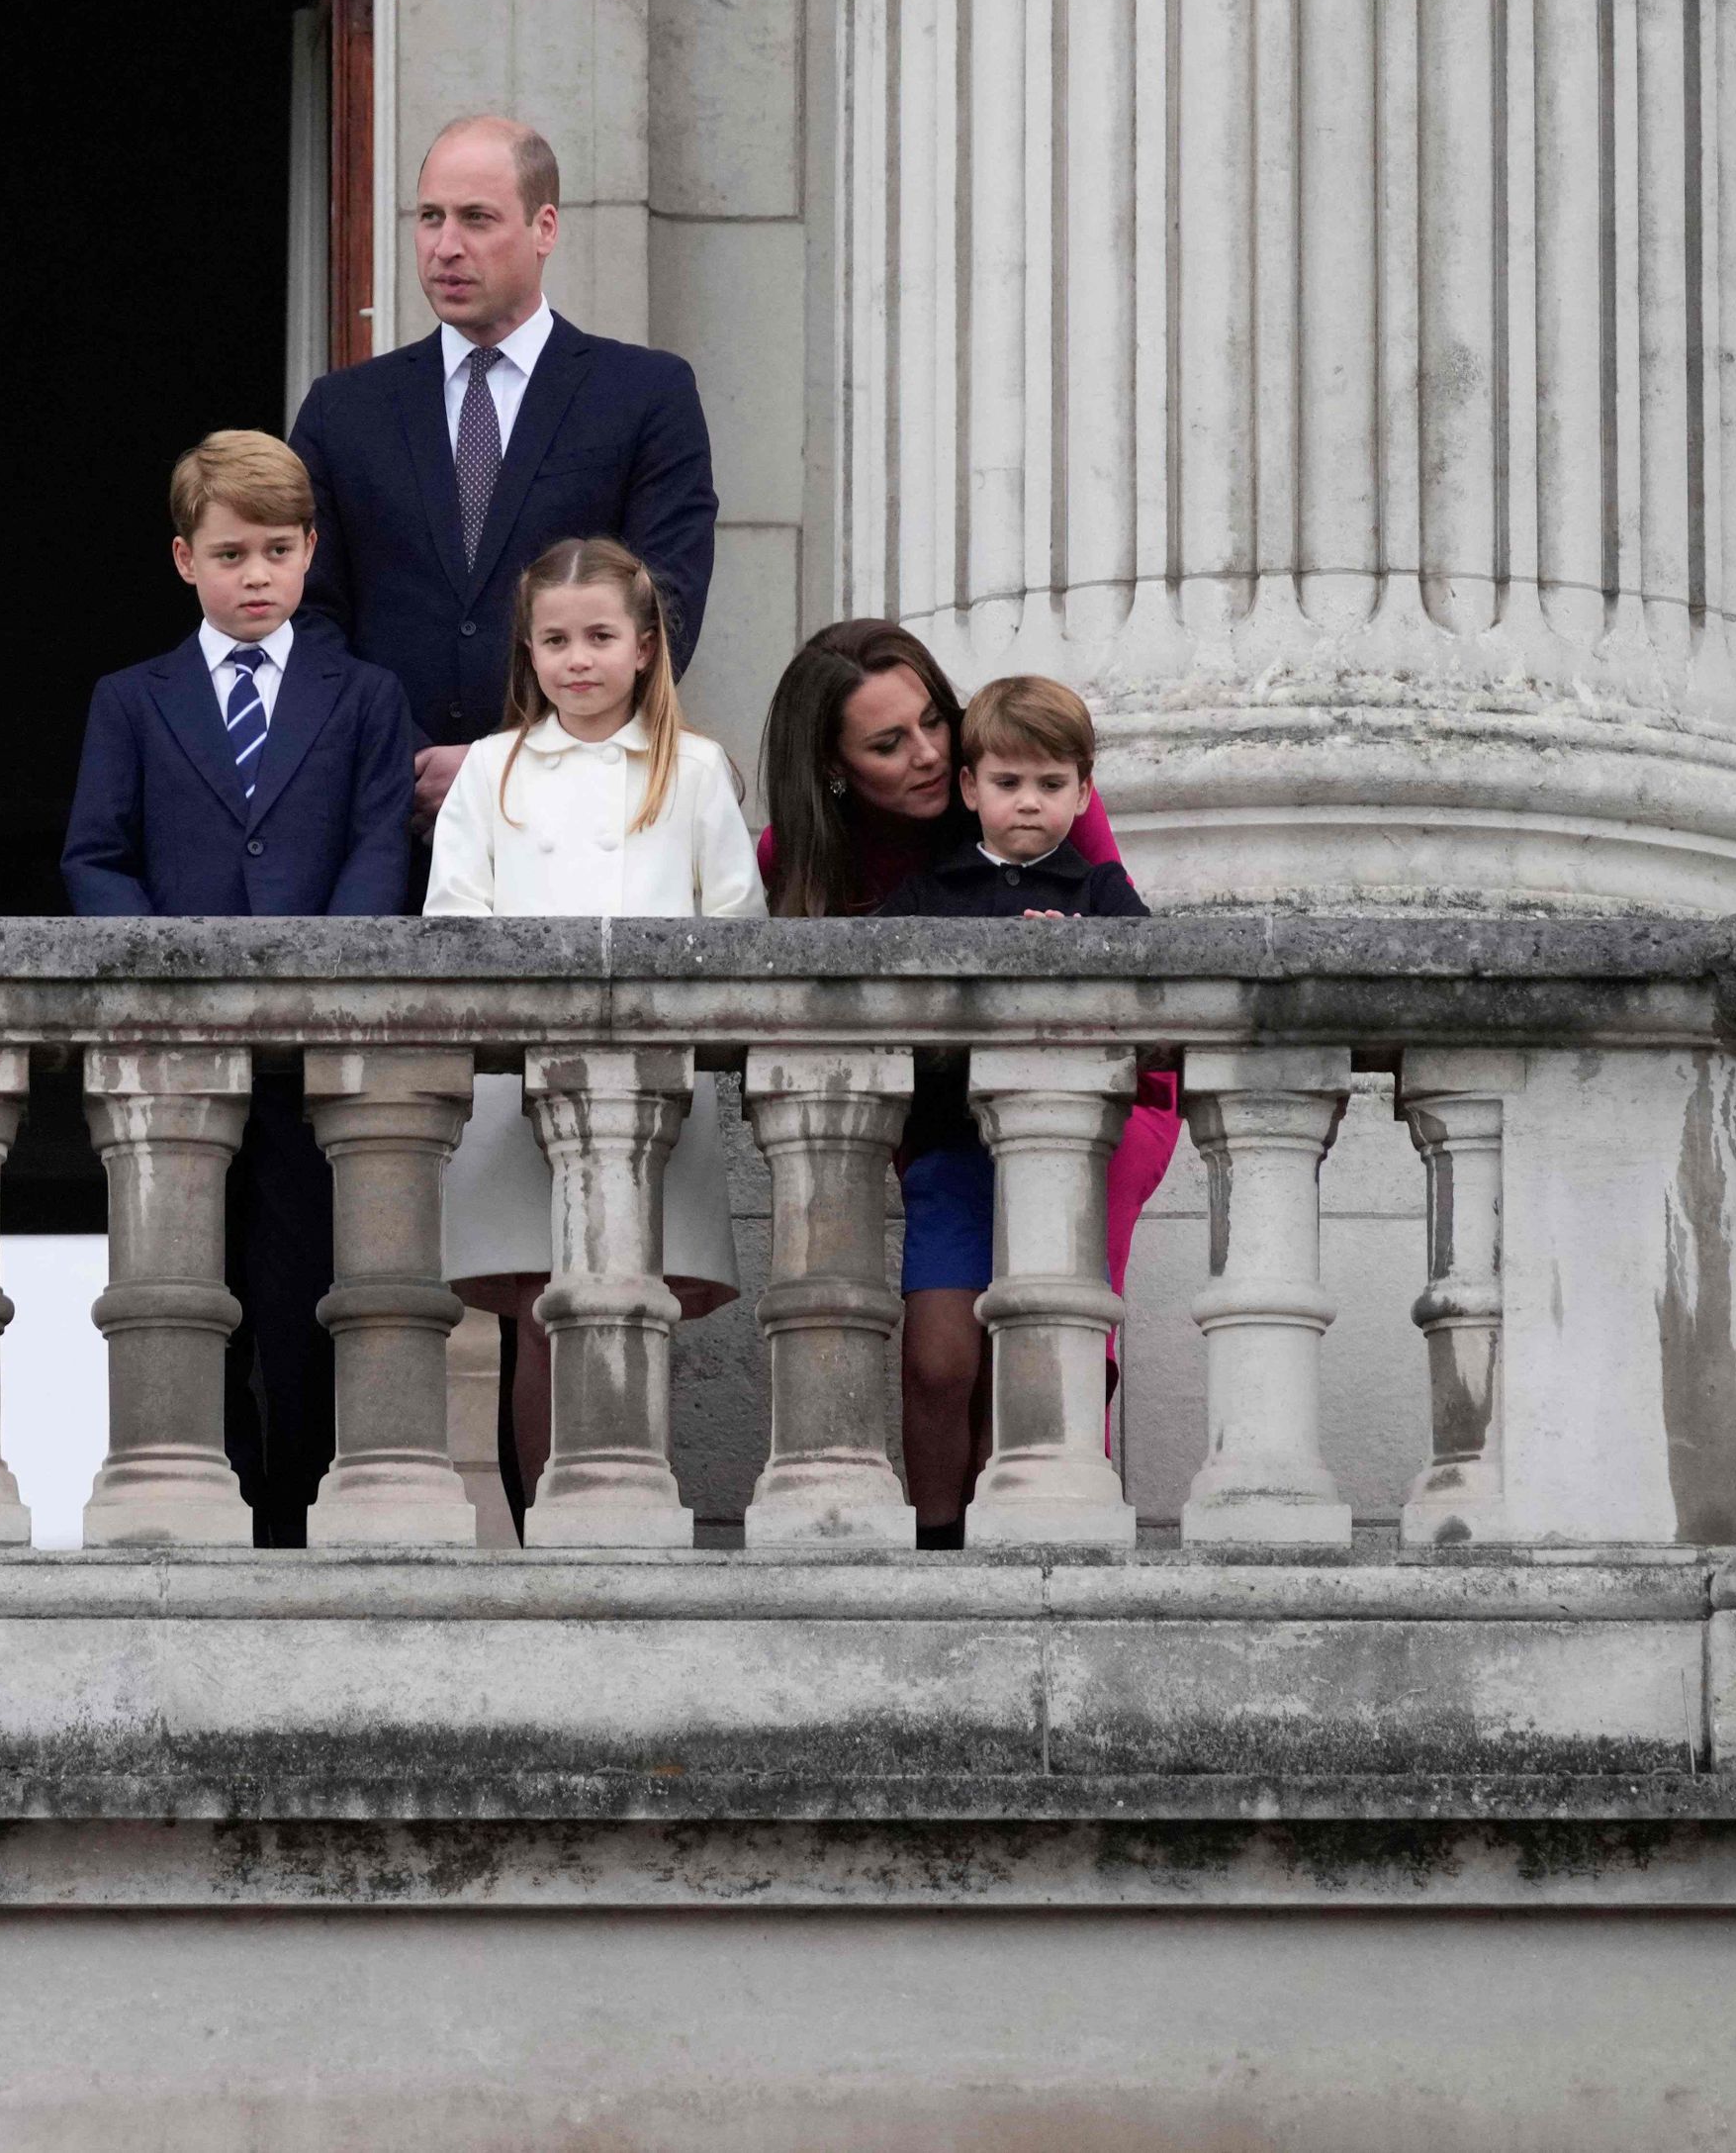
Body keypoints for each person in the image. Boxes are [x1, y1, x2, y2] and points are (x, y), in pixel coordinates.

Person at [62, 429, 419, 1545]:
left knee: (305, 1298)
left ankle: (298, 1525)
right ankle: (208, 1516)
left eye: (275, 550)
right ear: (185, 560)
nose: (254, 575)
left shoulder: (367, 696)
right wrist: (170, 982)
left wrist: (320, 981)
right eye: (229, 554)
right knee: (181, 1295)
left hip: (313, 1064)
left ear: (310, 549)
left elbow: (379, 849)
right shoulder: (132, 697)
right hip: (177, 1063)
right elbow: (96, 857)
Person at [756, 620, 1183, 1547]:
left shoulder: (1036, 790)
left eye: (932, 721)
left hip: (1095, 1114)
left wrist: (1072, 955)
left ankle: (1033, 1529)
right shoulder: (820, 857)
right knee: (945, 1352)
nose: (926, 751)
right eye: (887, 743)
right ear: (834, 767)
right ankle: (945, 1541)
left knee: (1055, 1329)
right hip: (948, 1129)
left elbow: (1141, 961)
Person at [424, 537, 764, 1525]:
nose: (578, 660)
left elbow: (735, 925)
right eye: (556, 640)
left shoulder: (693, 769)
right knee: (543, 1312)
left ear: (645, 645)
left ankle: (629, 1516)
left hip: (655, 1088)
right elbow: (453, 922)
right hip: (516, 1087)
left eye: (601, 637)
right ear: (528, 651)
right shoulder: (491, 770)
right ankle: (551, 1530)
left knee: (631, 1307)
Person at [291, 114, 720, 877]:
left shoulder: (644, 395)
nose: (445, 245)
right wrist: (398, 754)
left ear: (544, 227)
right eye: (430, 217)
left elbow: (663, 607)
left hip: (580, 832)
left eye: (477, 218)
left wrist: (516, 760)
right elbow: (305, 613)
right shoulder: (341, 410)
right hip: (382, 828)